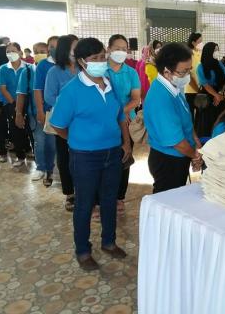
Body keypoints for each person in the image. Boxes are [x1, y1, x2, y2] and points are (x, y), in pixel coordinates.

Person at [50, 37, 131, 271]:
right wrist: (77, 140)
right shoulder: (71, 91)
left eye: (103, 56)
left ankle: (109, 242)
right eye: (95, 58)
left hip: (112, 153)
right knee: (85, 204)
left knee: (109, 200)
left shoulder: (110, 83)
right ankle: (83, 251)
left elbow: (120, 116)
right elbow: (58, 124)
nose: (101, 61)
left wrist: (126, 142)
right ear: (82, 62)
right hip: (85, 157)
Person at [144, 42, 202, 194]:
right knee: (167, 200)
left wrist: (195, 139)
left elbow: (185, 117)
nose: (187, 76)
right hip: (168, 160)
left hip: (180, 155)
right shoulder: (160, 97)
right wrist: (195, 155)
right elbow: (176, 142)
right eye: (183, 72)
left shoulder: (173, 87)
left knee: (177, 196)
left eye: (189, 70)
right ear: (167, 71)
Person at [106, 34, 141, 214]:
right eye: (117, 48)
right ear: (109, 49)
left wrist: (123, 111)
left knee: (124, 157)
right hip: (105, 121)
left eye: (124, 49)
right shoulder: (101, 71)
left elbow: (136, 98)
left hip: (127, 121)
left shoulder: (131, 73)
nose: (121, 52)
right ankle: (102, 198)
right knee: (105, 159)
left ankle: (119, 197)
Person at [45, 35, 79, 209]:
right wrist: (68, 105)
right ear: (65, 50)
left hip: (83, 120)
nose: (77, 50)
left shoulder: (83, 68)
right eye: (74, 47)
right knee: (65, 157)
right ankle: (69, 193)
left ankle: (83, 188)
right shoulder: (55, 72)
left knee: (82, 156)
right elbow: (49, 97)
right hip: (64, 121)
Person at [0, 42, 31, 167]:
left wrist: (23, 103)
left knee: (28, 128)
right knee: (15, 129)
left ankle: (28, 149)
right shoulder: (3, 68)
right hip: (10, 102)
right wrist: (14, 104)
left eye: (13, 51)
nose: (10, 54)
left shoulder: (28, 67)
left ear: (20, 52)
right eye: (8, 52)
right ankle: (20, 156)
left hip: (27, 102)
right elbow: (3, 88)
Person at [33, 36, 58, 185]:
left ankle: (54, 169)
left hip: (64, 111)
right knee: (45, 142)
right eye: (51, 46)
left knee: (58, 145)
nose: (54, 49)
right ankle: (45, 169)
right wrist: (40, 110)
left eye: (57, 46)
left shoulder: (67, 63)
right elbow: (38, 89)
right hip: (48, 110)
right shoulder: (43, 65)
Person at [195, 42, 225, 137]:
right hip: (207, 96)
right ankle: (206, 140)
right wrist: (216, 95)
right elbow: (205, 84)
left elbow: (224, 80)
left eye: (217, 50)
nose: (217, 52)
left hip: (220, 94)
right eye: (215, 50)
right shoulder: (201, 67)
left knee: (220, 119)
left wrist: (220, 93)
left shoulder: (219, 64)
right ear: (208, 51)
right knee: (207, 120)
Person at [185, 32, 202, 120]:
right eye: (200, 41)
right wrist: (196, 87)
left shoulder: (199, 53)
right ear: (193, 42)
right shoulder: (188, 54)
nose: (201, 43)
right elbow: (187, 72)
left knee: (200, 114)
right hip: (190, 88)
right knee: (190, 114)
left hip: (200, 87)